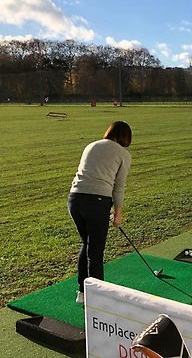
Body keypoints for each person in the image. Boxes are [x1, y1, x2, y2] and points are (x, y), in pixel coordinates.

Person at [68, 121, 132, 304]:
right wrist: (118, 214)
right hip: (96, 202)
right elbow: (118, 188)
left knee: (87, 243)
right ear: (126, 138)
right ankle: (98, 299)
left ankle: (82, 293)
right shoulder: (124, 155)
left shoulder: (91, 145)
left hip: (74, 200)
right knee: (95, 251)